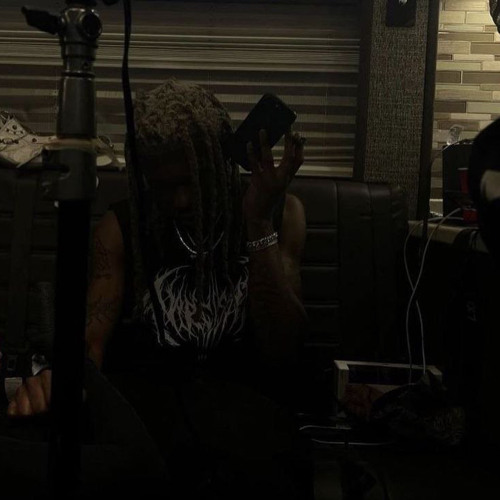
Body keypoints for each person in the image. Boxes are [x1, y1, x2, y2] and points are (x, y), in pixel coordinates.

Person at [7, 79, 311, 498]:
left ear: (220, 161)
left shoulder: (282, 213)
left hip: (243, 413)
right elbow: (92, 340)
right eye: (164, 186)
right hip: (148, 415)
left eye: (191, 181)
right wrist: (55, 377)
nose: (180, 200)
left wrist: (257, 222)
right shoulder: (121, 227)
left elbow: (285, 350)